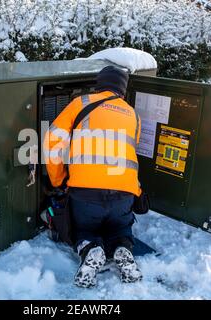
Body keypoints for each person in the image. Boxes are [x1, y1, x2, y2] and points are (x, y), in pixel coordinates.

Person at [44, 65, 143, 288]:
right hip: (124, 192)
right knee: (120, 228)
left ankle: (90, 247)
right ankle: (122, 248)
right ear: (123, 91)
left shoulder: (81, 103)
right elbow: (130, 155)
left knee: (83, 229)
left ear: (98, 86)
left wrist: (58, 180)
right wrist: (137, 190)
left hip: (85, 192)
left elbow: (52, 142)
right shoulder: (133, 115)